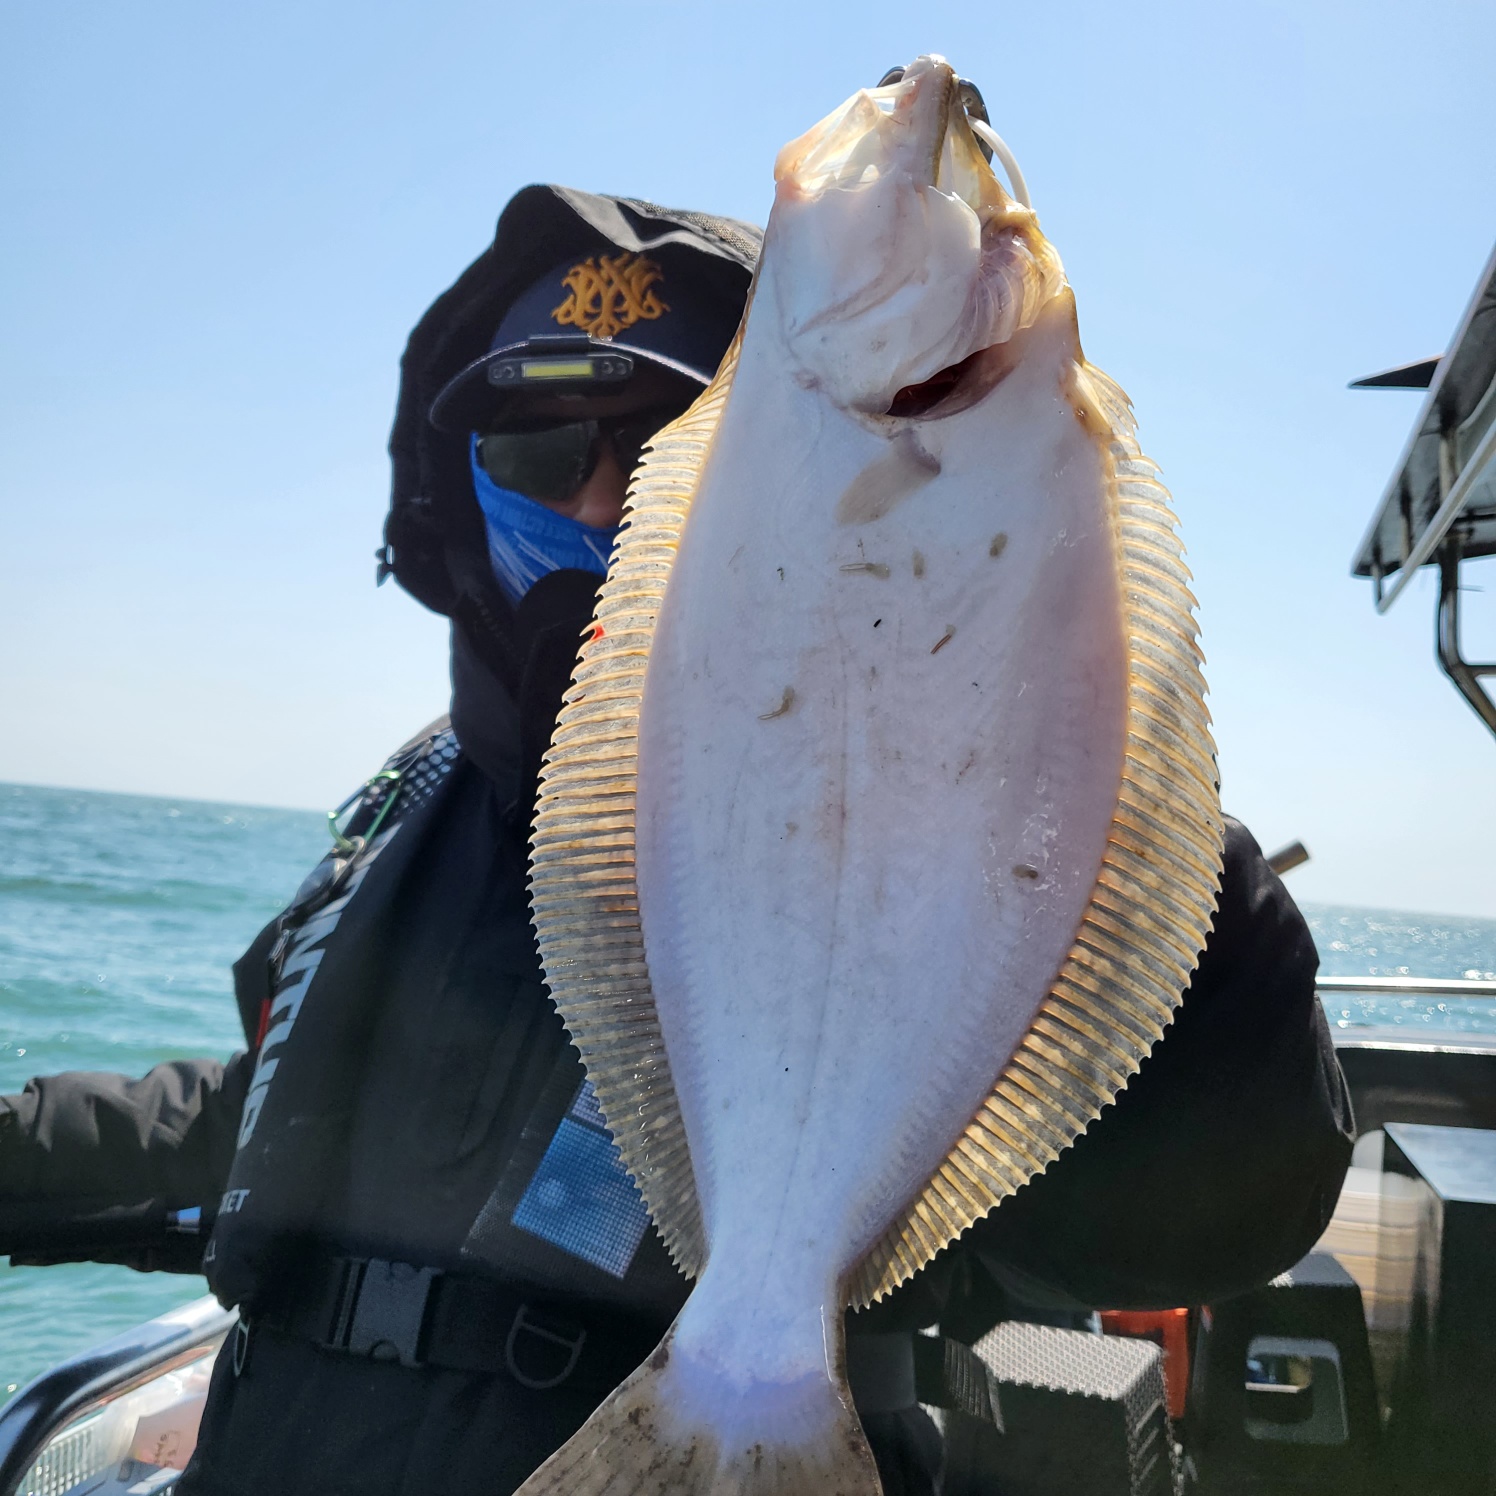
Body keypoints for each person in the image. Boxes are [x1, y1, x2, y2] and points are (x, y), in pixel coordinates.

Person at [0, 184, 1353, 1496]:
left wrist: (1107, 795)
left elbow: (1218, 1195)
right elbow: (260, 1125)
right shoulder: (415, 802)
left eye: (654, 444)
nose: (597, 505)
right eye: (536, 455)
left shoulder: (924, 813)